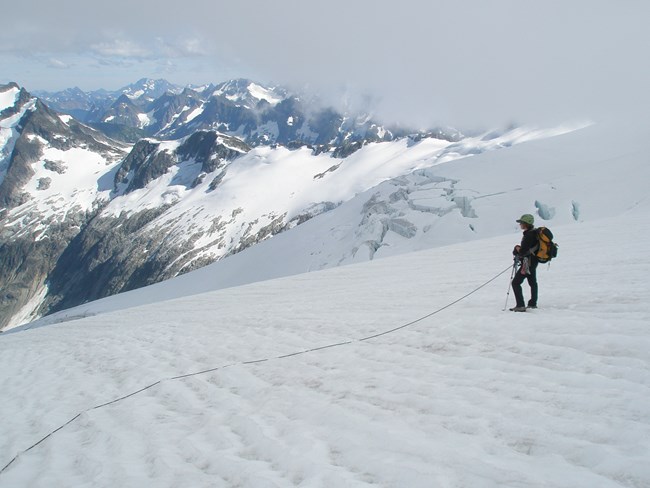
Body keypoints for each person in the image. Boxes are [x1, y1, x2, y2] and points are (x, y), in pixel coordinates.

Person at [510, 214, 538, 312]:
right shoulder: (534, 233)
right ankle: (533, 303)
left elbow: (522, 251)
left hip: (527, 263)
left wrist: (516, 248)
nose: (520, 224)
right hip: (533, 261)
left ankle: (520, 305)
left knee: (515, 283)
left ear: (526, 224)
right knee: (532, 282)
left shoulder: (529, 235)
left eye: (521, 222)